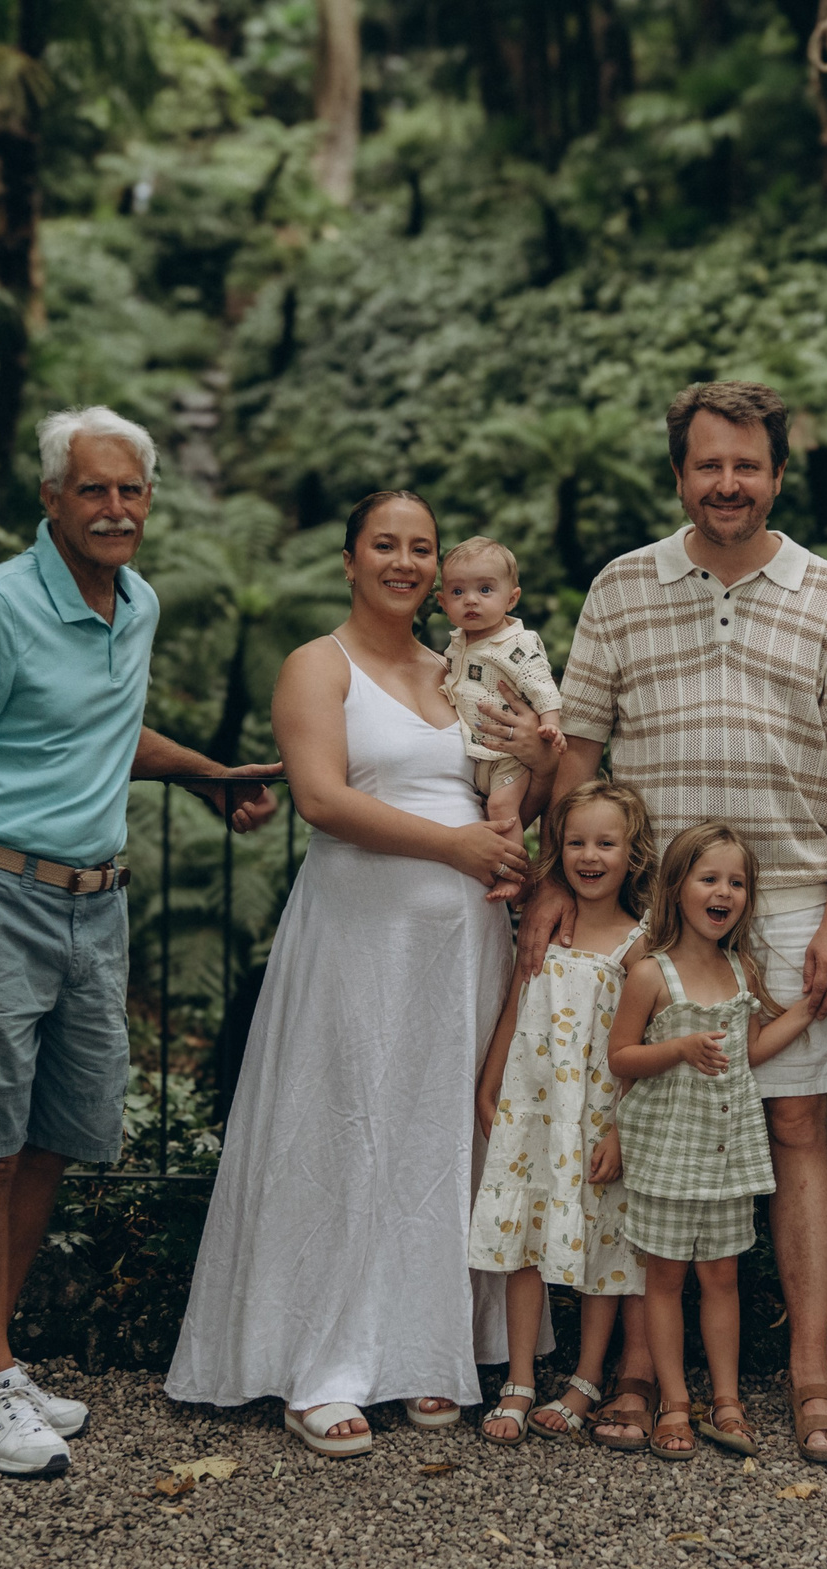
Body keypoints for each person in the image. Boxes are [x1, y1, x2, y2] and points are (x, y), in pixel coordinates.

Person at [0, 406, 277, 1479]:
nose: (116, 508)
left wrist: (209, 775)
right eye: (94, 489)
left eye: (132, 491)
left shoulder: (135, 604)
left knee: (55, 1136)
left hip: (93, 906)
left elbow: (105, 730)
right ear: (53, 499)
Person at [526, 379, 827, 1465]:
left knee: (795, 1129)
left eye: (748, 465)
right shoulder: (622, 587)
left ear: (777, 474)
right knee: (643, 1136)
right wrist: (557, 881)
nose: (728, 483)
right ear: (679, 473)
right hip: (650, 914)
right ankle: (639, 1369)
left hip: (785, 903)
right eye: (707, 464)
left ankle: (811, 1376)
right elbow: (580, 751)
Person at [166, 491, 560, 1458]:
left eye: (421, 547)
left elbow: (519, 788)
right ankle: (326, 1360)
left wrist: (532, 775)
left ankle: (432, 1350)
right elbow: (322, 799)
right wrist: (456, 849)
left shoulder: (463, 666)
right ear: (350, 559)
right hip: (356, 934)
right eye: (385, 544)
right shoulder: (317, 665)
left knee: (437, 1133)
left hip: (460, 945)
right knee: (348, 1125)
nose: (406, 561)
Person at [604, 822, 820, 1460]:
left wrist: (807, 1010)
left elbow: (749, 1052)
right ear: (678, 888)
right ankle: (673, 1402)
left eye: (737, 882)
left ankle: (725, 1399)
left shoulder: (740, 968)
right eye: (709, 879)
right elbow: (620, 1058)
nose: (724, 891)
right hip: (668, 1154)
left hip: (727, 1153)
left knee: (721, 1277)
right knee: (665, 1280)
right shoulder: (651, 974)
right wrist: (678, 1048)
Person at [467, 779, 657, 1445]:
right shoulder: (546, 929)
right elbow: (517, 1006)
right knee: (525, 1236)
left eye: (606, 842)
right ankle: (519, 1378)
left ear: (632, 855)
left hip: (597, 1117)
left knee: (602, 1243)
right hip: (536, 1108)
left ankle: (584, 1377)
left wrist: (621, 1127)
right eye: (575, 841)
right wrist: (489, 1084)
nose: (589, 854)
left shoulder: (638, 944)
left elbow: (643, 1045)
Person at [438, 537, 565, 845]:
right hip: (480, 754)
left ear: (511, 598)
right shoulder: (457, 643)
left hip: (509, 755)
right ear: (443, 604)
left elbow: (543, 686)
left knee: (500, 806)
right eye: (458, 591)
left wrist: (551, 725)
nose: (470, 600)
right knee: (480, 809)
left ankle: (512, 869)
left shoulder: (515, 644)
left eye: (485, 590)